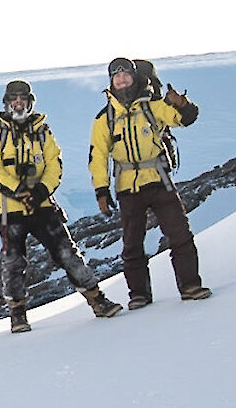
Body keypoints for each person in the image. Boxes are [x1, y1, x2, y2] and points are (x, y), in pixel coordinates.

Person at [0, 80, 122, 333]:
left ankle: (97, 300)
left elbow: (54, 165)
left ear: (30, 102)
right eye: (14, 99)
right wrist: (19, 190)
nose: (19, 103)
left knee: (67, 252)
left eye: (23, 99)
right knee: (13, 261)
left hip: (42, 205)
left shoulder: (43, 132)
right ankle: (17, 315)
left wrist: (40, 192)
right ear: (7, 102)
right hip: (10, 209)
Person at [89, 58, 210, 310]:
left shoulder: (154, 107)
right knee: (132, 244)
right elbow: (97, 155)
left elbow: (185, 119)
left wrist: (183, 104)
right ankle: (139, 295)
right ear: (111, 81)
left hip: (158, 181)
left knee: (180, 235)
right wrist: (101, 190)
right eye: (116, 76)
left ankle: (190, 286)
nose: (121, 80)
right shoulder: (105, 119)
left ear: (134, 77)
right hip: (127, 188)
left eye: (125, 75)